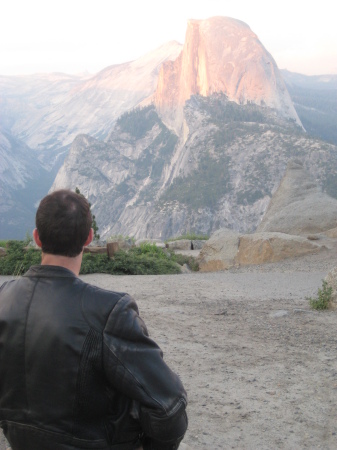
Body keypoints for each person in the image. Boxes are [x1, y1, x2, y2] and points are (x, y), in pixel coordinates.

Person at [0, 189, 188, 450]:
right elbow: (169, 407)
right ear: (88, 238)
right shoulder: (109, 311)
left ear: (36, 238)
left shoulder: (3, 299)